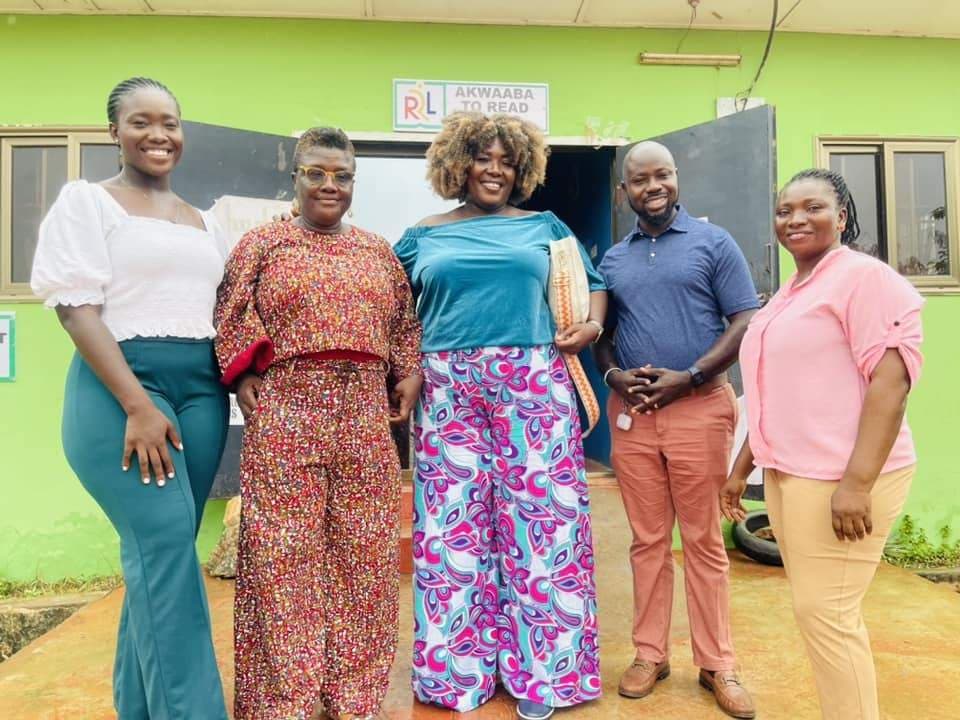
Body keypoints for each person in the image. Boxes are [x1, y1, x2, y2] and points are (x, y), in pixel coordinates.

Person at [394, 112, 605, 720]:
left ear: (522, 170)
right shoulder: (421, 236)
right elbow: (387, 306)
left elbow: (591, 285)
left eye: (507, 162)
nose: (495, 170)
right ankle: (456, 676)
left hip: (532, 384)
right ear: (457, 165)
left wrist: (590, 324)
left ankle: (547, 676)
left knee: (543, 526)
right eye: (483, 159)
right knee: (451, 533)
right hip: (447, 388)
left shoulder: (545, 227)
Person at [30, 77, 229, 719]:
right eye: (141, 122)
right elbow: (77, 311)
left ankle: (139, 709)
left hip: (201, 391)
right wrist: (138, 406)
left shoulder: (205, 221)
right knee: (167, 546)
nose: (158, 134)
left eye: (169, 122)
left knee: (160, 557)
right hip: (121, 387)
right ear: (114, 130)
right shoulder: (87, 202)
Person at [214, 126, 422, 720]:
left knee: (365, 558)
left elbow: (405, 324)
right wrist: (243, 372)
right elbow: (230, 312)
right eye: (316, 173)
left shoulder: (377, 250)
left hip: (364, 414)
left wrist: (409, 372)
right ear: (296, 176)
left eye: (342, 176)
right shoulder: (262, 244)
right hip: (288, 408)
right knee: (284, 558)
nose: (329, 185)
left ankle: (352, 699)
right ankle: (287, 702)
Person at [721, 168, 924, 720]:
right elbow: (774, 391)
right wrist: (744, 467)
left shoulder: (863, 278)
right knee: (819, 615)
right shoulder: (793, 290)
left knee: (828, 616)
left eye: (812, 208)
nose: (796, 219)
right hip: (792, 472)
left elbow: (892, 384)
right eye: (786, 210)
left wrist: (856, 485)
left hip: (842, 477)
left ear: (842, 217)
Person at [594, 141, 758, 719]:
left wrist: (688, 377)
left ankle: (718, 663)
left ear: (676, 178)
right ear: (626, 191)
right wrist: (614, 375)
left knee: (705, 541)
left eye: (662, 174)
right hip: (635, 415)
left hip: (700, 409)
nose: (652, 186)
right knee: (647, 541)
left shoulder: (714, 243)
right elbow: (602, 333)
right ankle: (650, 654)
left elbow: (744, 318)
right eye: (640, 179)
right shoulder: (613, 260)